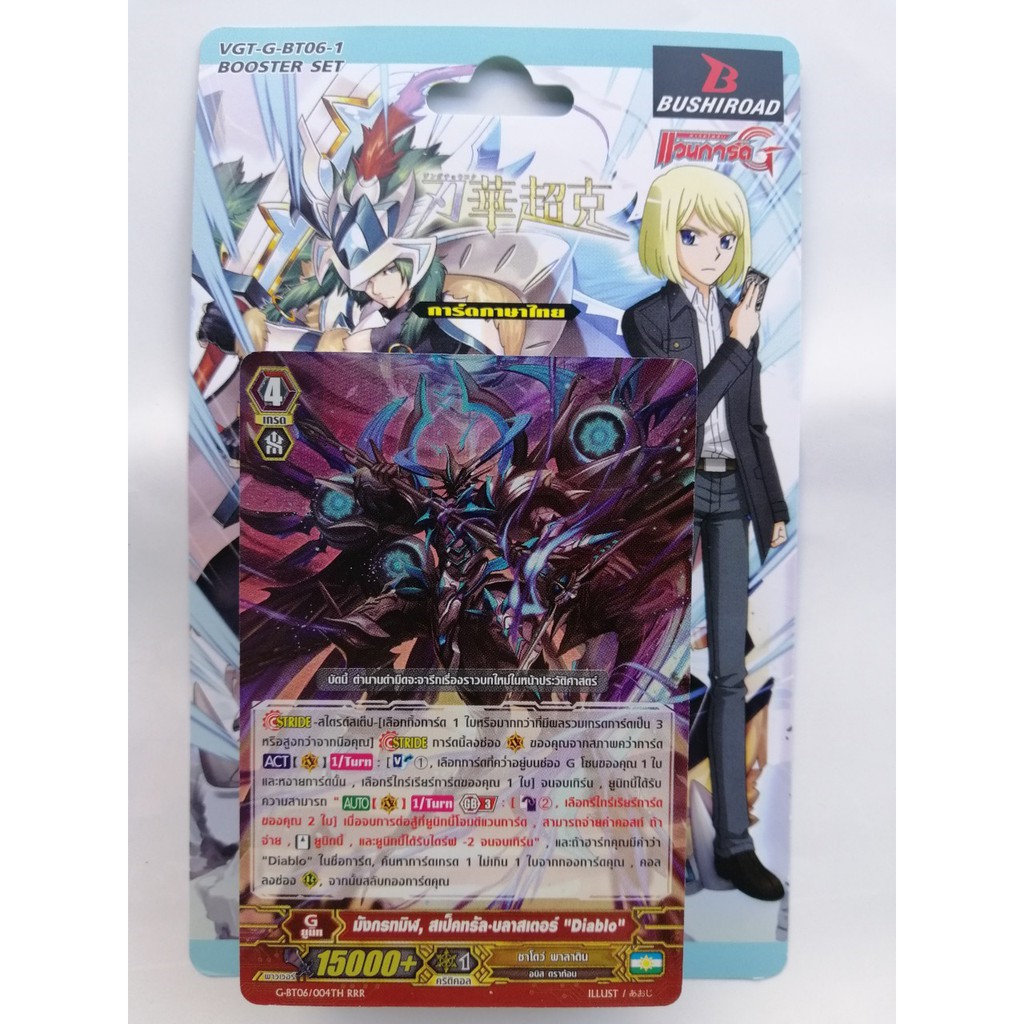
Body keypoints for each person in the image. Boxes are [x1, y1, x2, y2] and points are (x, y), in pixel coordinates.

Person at [622, 165, 788, 901]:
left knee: (728, 674)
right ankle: (634, 837)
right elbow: (676, 412)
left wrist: (772, 503)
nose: (713, 251)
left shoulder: (736, 313)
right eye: (694, 235)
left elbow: (750, 422)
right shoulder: (646, 320)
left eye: (725, 238)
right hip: (669, 498)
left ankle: (733, 845)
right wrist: (737, 345)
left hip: (730, 496)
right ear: (667, 235)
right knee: (645, 668)